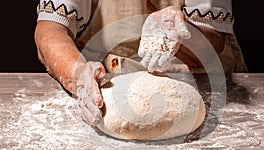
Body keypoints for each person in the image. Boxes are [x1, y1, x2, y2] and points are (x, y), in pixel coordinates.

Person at [34, 0, 247, 126]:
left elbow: (212, 39)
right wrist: (76, 72)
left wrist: (182, 33)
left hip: (200, 79)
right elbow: (51, 30)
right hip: (110, 81)